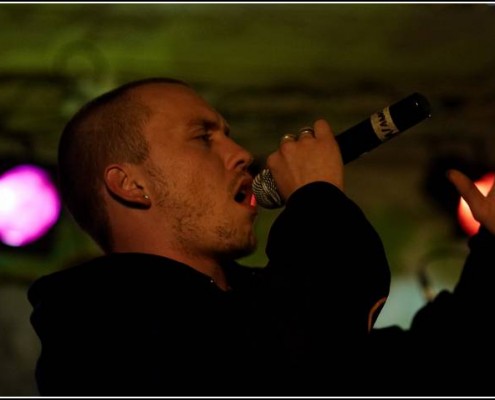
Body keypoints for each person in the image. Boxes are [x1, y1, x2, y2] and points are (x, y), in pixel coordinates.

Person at [27, 77, 495, 396]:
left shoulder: (260, 298)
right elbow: (300, 362)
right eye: (202, 138)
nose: (241, 154)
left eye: (226, 135)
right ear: (130, 184)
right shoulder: (94, 329)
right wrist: (316, 198)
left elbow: (430, 367)